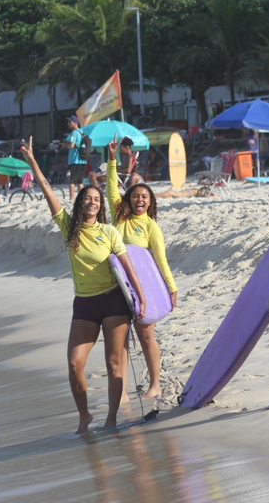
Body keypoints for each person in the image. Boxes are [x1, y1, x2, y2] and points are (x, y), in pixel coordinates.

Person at [20, 134, 146, 433]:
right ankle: (84, 415)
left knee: (115, 364)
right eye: (87, 198)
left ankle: (112, 419)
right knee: (75, 363)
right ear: (80, 204)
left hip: (114, 302)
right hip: (85, 304)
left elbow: (128, 269)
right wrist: (33, 162)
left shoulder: (110, 232)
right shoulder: (68, 228)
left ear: (100, 206)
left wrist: (140, 301)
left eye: (96, 199)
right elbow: (47, 190)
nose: (92, 202)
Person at [104, 135, 177, 400]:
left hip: (141, 287)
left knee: (146, 336)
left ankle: (155, 384)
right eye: (136, 196)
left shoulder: (150, 227)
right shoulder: (119, 217)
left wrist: (171, 288)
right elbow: (112, 190)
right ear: (129, 199)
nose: (140, 200)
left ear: (150, 202)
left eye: (145, 197)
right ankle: (121, 390)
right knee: (120, 339)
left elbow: (160, 260)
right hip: (117, 286)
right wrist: (112, 160)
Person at [62, 115, 87, 200]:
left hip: (75, 160)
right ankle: (82, 198)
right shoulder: (82, 132)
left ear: (75, 122)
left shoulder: (74, 133)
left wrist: (65, 144)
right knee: (80, 181)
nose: (68, 124)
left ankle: (71, 198)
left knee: (71, 181)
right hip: (82, 160)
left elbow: (72, 145)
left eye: (70, 122)